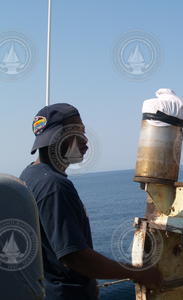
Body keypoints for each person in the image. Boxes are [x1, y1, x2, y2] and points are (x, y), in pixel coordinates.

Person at [20, 103, 161, 300]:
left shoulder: (30, 176)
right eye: (78, 133)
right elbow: (76, 257)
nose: (86, 142)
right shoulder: (54, 186)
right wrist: (136, 271)